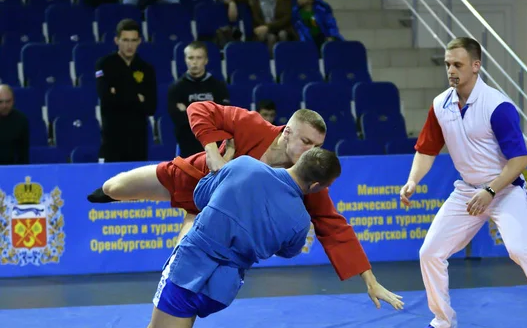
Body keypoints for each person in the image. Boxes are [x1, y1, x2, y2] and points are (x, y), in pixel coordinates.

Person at [88, 101, 403, 312]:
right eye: (307, 143)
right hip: (192, 177)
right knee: (115, 188)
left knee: (181, 265)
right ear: (286, 131)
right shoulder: (253, 126)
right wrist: (212, 152)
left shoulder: (307, 179)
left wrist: (370, 280)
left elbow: (334, 226)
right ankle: (105, 192)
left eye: (318, 147)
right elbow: (199, 109)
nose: (311, 152)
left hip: (210, 217)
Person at [87, 148, 342, 328]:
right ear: (316, 187)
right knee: (175, 317)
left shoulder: (244, 165)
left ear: (298, 161)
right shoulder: (299, 221)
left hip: (189, 269)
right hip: (221, 288)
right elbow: (288, 251)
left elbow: (199, 196)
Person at [400, 37, 527, 328]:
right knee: (430, 252)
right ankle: (443, 324)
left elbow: (519, 161)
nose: (451, 70)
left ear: (476, 66)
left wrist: (489, 190)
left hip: (504, 191)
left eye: (458, 65)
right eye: (448, 64)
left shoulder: (498, 106)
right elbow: (426, 150)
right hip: (466, 192)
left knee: (521, 250)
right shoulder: (441, 105)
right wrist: (413, 181)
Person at [96, 19, 157, 162]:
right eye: (125, 40)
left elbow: (151, 107)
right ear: (116, 40)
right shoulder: (104, 64)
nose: (129, 45)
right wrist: (137, 98)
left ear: (139, 41)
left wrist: (118, 93)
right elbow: (105, 98)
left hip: (138, 141)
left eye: (133, 40)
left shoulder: (147, 69)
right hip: (112, 139)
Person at [168, 41, 230, 158]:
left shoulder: (218, 86)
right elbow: (178, 119)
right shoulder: (176, 88)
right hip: (188, 145)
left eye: (199, 58)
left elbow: (222, 117)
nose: (194, 62)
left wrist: (189, 112)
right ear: (185, 60)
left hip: (215, 146)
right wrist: (208, 115)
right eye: (191, 58)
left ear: (206, 60)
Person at [0, 85, 29, 165]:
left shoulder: (21, 120)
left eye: (8, 101)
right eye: (0, 102)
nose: (4, 106)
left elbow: (23, 153)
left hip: (13, 168)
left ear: (13, 101)